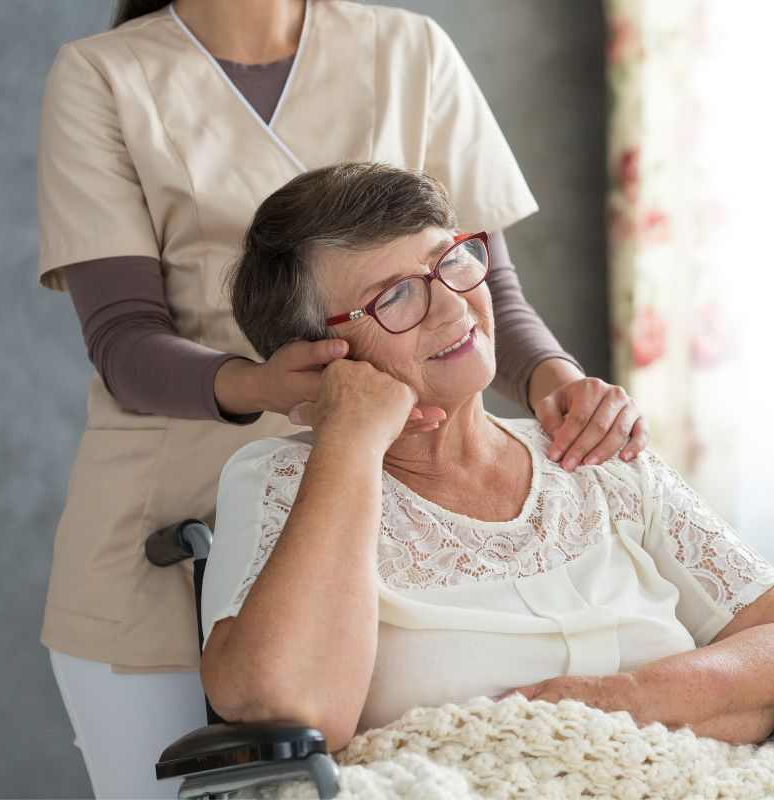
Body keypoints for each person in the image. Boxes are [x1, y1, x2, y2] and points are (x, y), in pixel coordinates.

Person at [36, 1, 646, 796]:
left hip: (398, 520)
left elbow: (482, 282)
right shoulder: (103, 75)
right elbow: (124, 339)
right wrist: (267, 386)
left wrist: (556, 383)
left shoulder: (410, 50)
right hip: (162, 532)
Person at [199, 162, 774, 754]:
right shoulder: (282, 481)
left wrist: (627, 702)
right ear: (318, 356)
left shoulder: (597, 453)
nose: (455, 306)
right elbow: (291, 704)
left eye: (450, 261)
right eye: (394, 296)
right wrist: (349, 439)